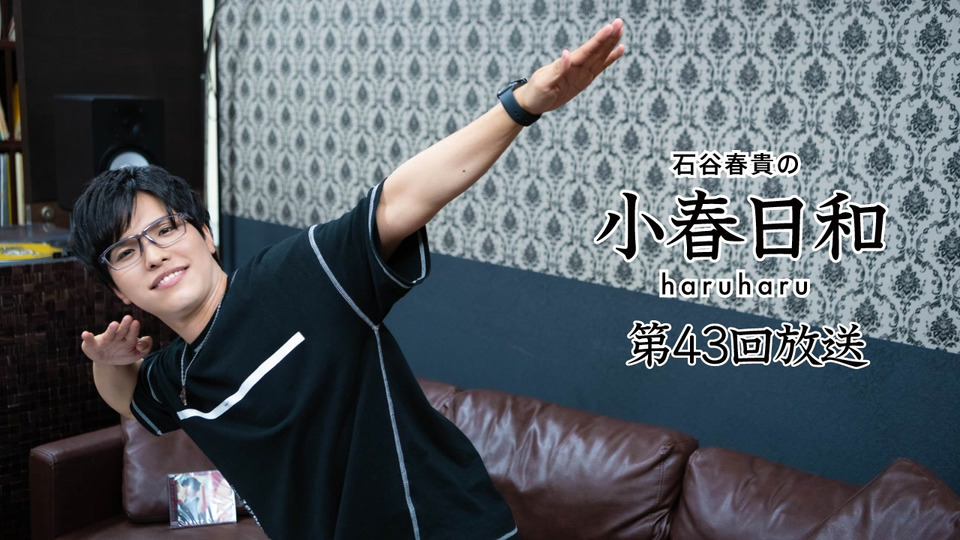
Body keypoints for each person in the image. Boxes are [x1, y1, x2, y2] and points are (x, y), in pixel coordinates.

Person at [72, 18, 625, 539]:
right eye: (126, 251)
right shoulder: (181, 378)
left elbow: (401, 198)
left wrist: (521, 105)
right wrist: (107, 362)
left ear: (205, 234)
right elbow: (128, 397)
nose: (154, 255)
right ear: (118, 289)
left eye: (165, 229)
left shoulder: (296, 276)